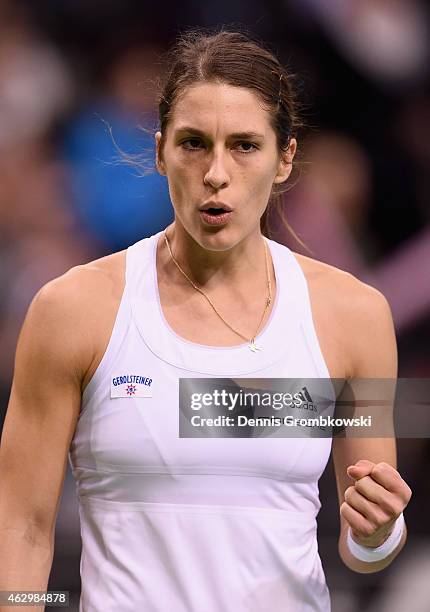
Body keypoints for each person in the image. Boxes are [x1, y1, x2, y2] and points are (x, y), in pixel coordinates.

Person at [0, 29, 412, 612]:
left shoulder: (356, 316)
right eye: (194, 144)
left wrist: (376, 532)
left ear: (285, 157)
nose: (216, 173)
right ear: (161, 150)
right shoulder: (72, 310)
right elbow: (19, 528)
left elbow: (369, 541)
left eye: (245, 145)